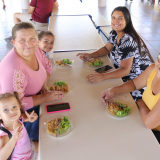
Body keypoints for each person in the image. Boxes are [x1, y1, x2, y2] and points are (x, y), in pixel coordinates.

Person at [0, 22, 64, 140]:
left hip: (37, 99)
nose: (28, 44)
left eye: (32, 38)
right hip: (20, 116)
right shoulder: (14, 70)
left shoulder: (36, 50)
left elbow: (48, 65)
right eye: (22, 40)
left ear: (37, 39)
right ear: (13, 42)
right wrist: (43, 98)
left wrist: (43, 83)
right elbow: (14, 106)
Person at [77, 6, 153, 101]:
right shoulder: (114, 33)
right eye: (113, 18)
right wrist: (91, 55)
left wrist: (102, 76)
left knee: (118, 99)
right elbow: (106, 48)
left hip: (138, 77)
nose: (116, 21)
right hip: (124, 71)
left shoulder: (128, 40)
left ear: (127, 20)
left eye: (120, 18)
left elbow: (125, 70)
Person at [101, 54, 160, 143]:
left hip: (153, 134)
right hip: (141, 118)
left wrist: (140, 102)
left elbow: (149, 123)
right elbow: (135, 84)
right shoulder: (152, 69)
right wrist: (113, 90)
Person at [0, 92, 38, 160]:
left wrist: (30, 117)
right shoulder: (5, 135)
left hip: (29, 149)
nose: (12, 110)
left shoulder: (17, 119)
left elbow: (25, 117)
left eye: (14, 106)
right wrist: (14, 139)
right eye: (5, 109)